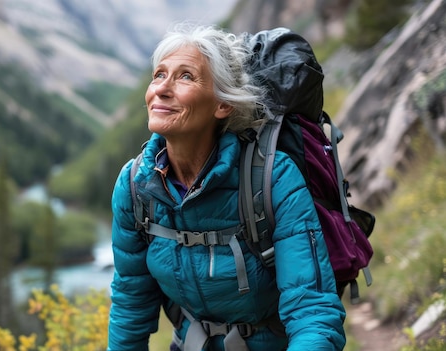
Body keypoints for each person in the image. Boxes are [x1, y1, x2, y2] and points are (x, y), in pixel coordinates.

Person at [108, 24, 346, 351]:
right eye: (159, 75)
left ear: (222, 104)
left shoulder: (271, 177)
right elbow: (131, 303)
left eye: (186, 76)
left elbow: (312, 308)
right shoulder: (135, 186)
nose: (161, 89)